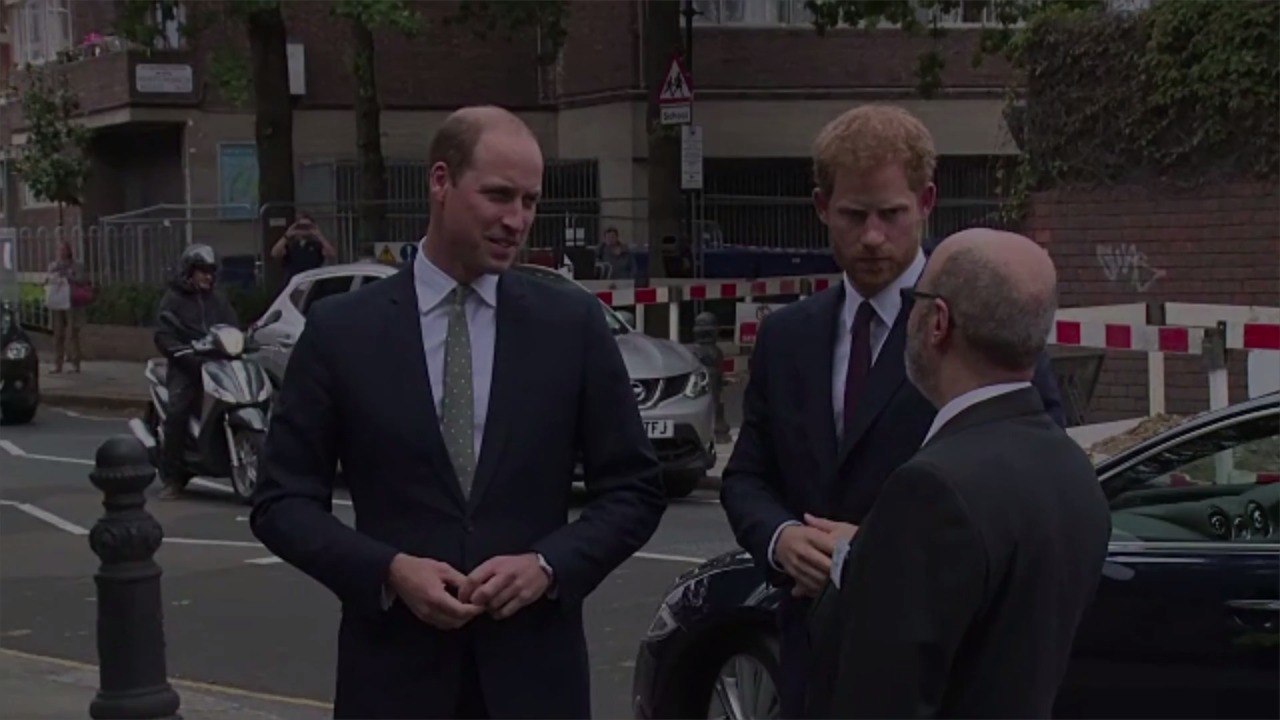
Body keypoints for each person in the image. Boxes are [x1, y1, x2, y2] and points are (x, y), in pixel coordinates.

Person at [250, 105, 666, 719]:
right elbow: (281, 502)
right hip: (393, 684)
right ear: (440, 182)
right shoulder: (343, 331)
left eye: (529, 201)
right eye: (498, 195)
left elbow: (634, 489)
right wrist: (388, 571)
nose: (516, 220)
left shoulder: (570, 325)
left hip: (534, 684)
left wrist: (548, 566)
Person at [719, 104, 1067, 718]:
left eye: (891, 214)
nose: (873, 237)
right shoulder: (787, 337)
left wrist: (871, 550)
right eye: (854, 216)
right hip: (810, 659)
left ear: (926, 202)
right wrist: (780, 538)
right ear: (822, 207)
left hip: (932, 672)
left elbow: (1030, 476)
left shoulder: (978, 325)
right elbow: (747, 474)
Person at [806, 228, 1112, 717]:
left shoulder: (930, 490)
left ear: (938, 322)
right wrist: (872, 551)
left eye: (914, 300)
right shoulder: (1071, 469)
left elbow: (883, 694)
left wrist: (877, 559)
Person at [153, 244, 238, 499]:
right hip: (187, 364)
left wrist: (244, 339)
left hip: (219, 363)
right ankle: (172, 477)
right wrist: (179, 351)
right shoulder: (173, 300)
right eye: (202, 271)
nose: (207, 277)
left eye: (210, 272)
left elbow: (233, 325)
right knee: (178, 410)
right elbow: (163, 334)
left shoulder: (218, 300)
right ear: (188, 272)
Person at [44, 240, 87, 373]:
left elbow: (82, 280)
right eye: (59, 250)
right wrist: (52, 276)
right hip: (58, 301)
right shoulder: (53, 265)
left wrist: (69, 276)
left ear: (69, 251)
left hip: (72, 302)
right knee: (58, 333)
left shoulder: (77, 265)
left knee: (72, 333)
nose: (61, 252)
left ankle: (75, 363)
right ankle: (58, 364)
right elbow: (47, 280)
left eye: (64, 249)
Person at [270, 213, 336, 281]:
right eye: (301, 226)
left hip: (311, 281)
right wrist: (287, 235)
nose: (304, 229)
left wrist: (318, 234)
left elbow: (332, 254)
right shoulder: (290, 244)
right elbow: (275, 253)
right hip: (294, 282)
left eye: (307, 226)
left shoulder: (317, 245)